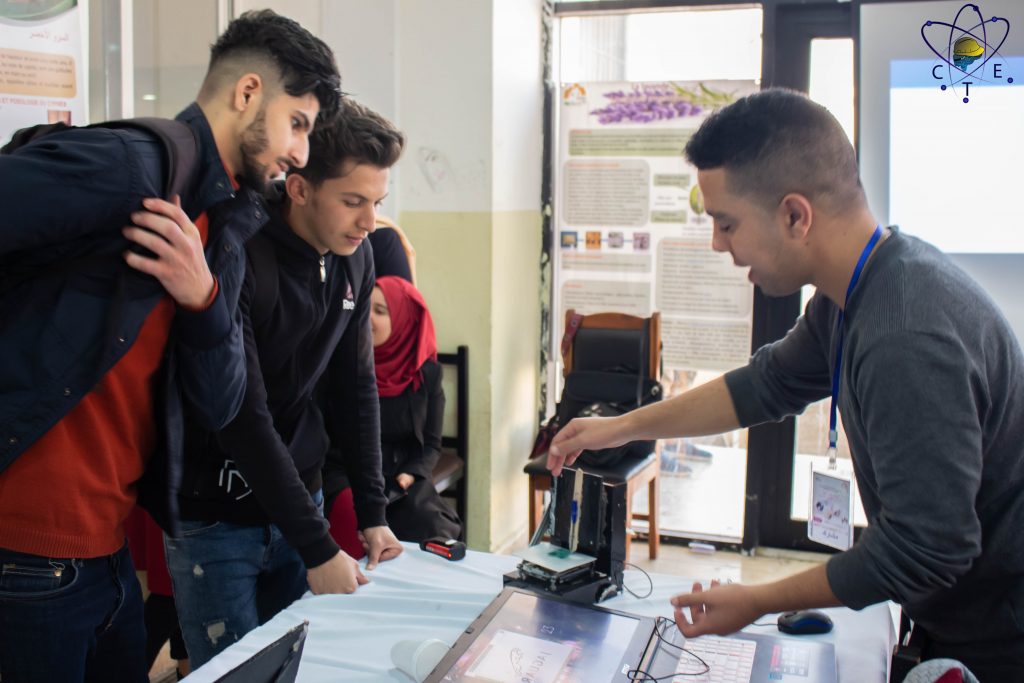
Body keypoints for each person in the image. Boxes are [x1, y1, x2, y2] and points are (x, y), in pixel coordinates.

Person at [547, 89, 1024, 681]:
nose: (718, 243)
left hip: (1001, 640)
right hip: (958, 619)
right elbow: (763, 386)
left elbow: (928, 548)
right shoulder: (859, 290)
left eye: (726, 223)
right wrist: (620, 427)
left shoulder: (905, 335)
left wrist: (757, 601)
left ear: (796, 216)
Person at [0, 9, 340, 682]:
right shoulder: (132, 166)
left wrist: (203, 297)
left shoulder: (228, 220)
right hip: (27, 548)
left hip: (108, 550)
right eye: (298, 123)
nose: (302, 153)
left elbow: (221, 400)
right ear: (248, 92)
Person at [165, 99, 406, 668]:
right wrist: (319, 547)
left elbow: (356, 389)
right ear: (298, 188)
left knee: (296, 668)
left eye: (376, 203)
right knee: (233, 674)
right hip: (217, 516)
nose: (369, 223)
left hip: (301, 497)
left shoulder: (356, 256)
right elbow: (242, 414)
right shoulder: (239, 250)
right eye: (353, 202)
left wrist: (373, 512)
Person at [325, 275, 463, 549]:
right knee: (358, 525)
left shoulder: (427, 374)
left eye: (380, 311)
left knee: (433, 530)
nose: (368, 318)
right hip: (347, 472)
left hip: (402, 475)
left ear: (404, 320)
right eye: (366, 308)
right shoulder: (341, 363)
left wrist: (410, 474)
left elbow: (431, 444)